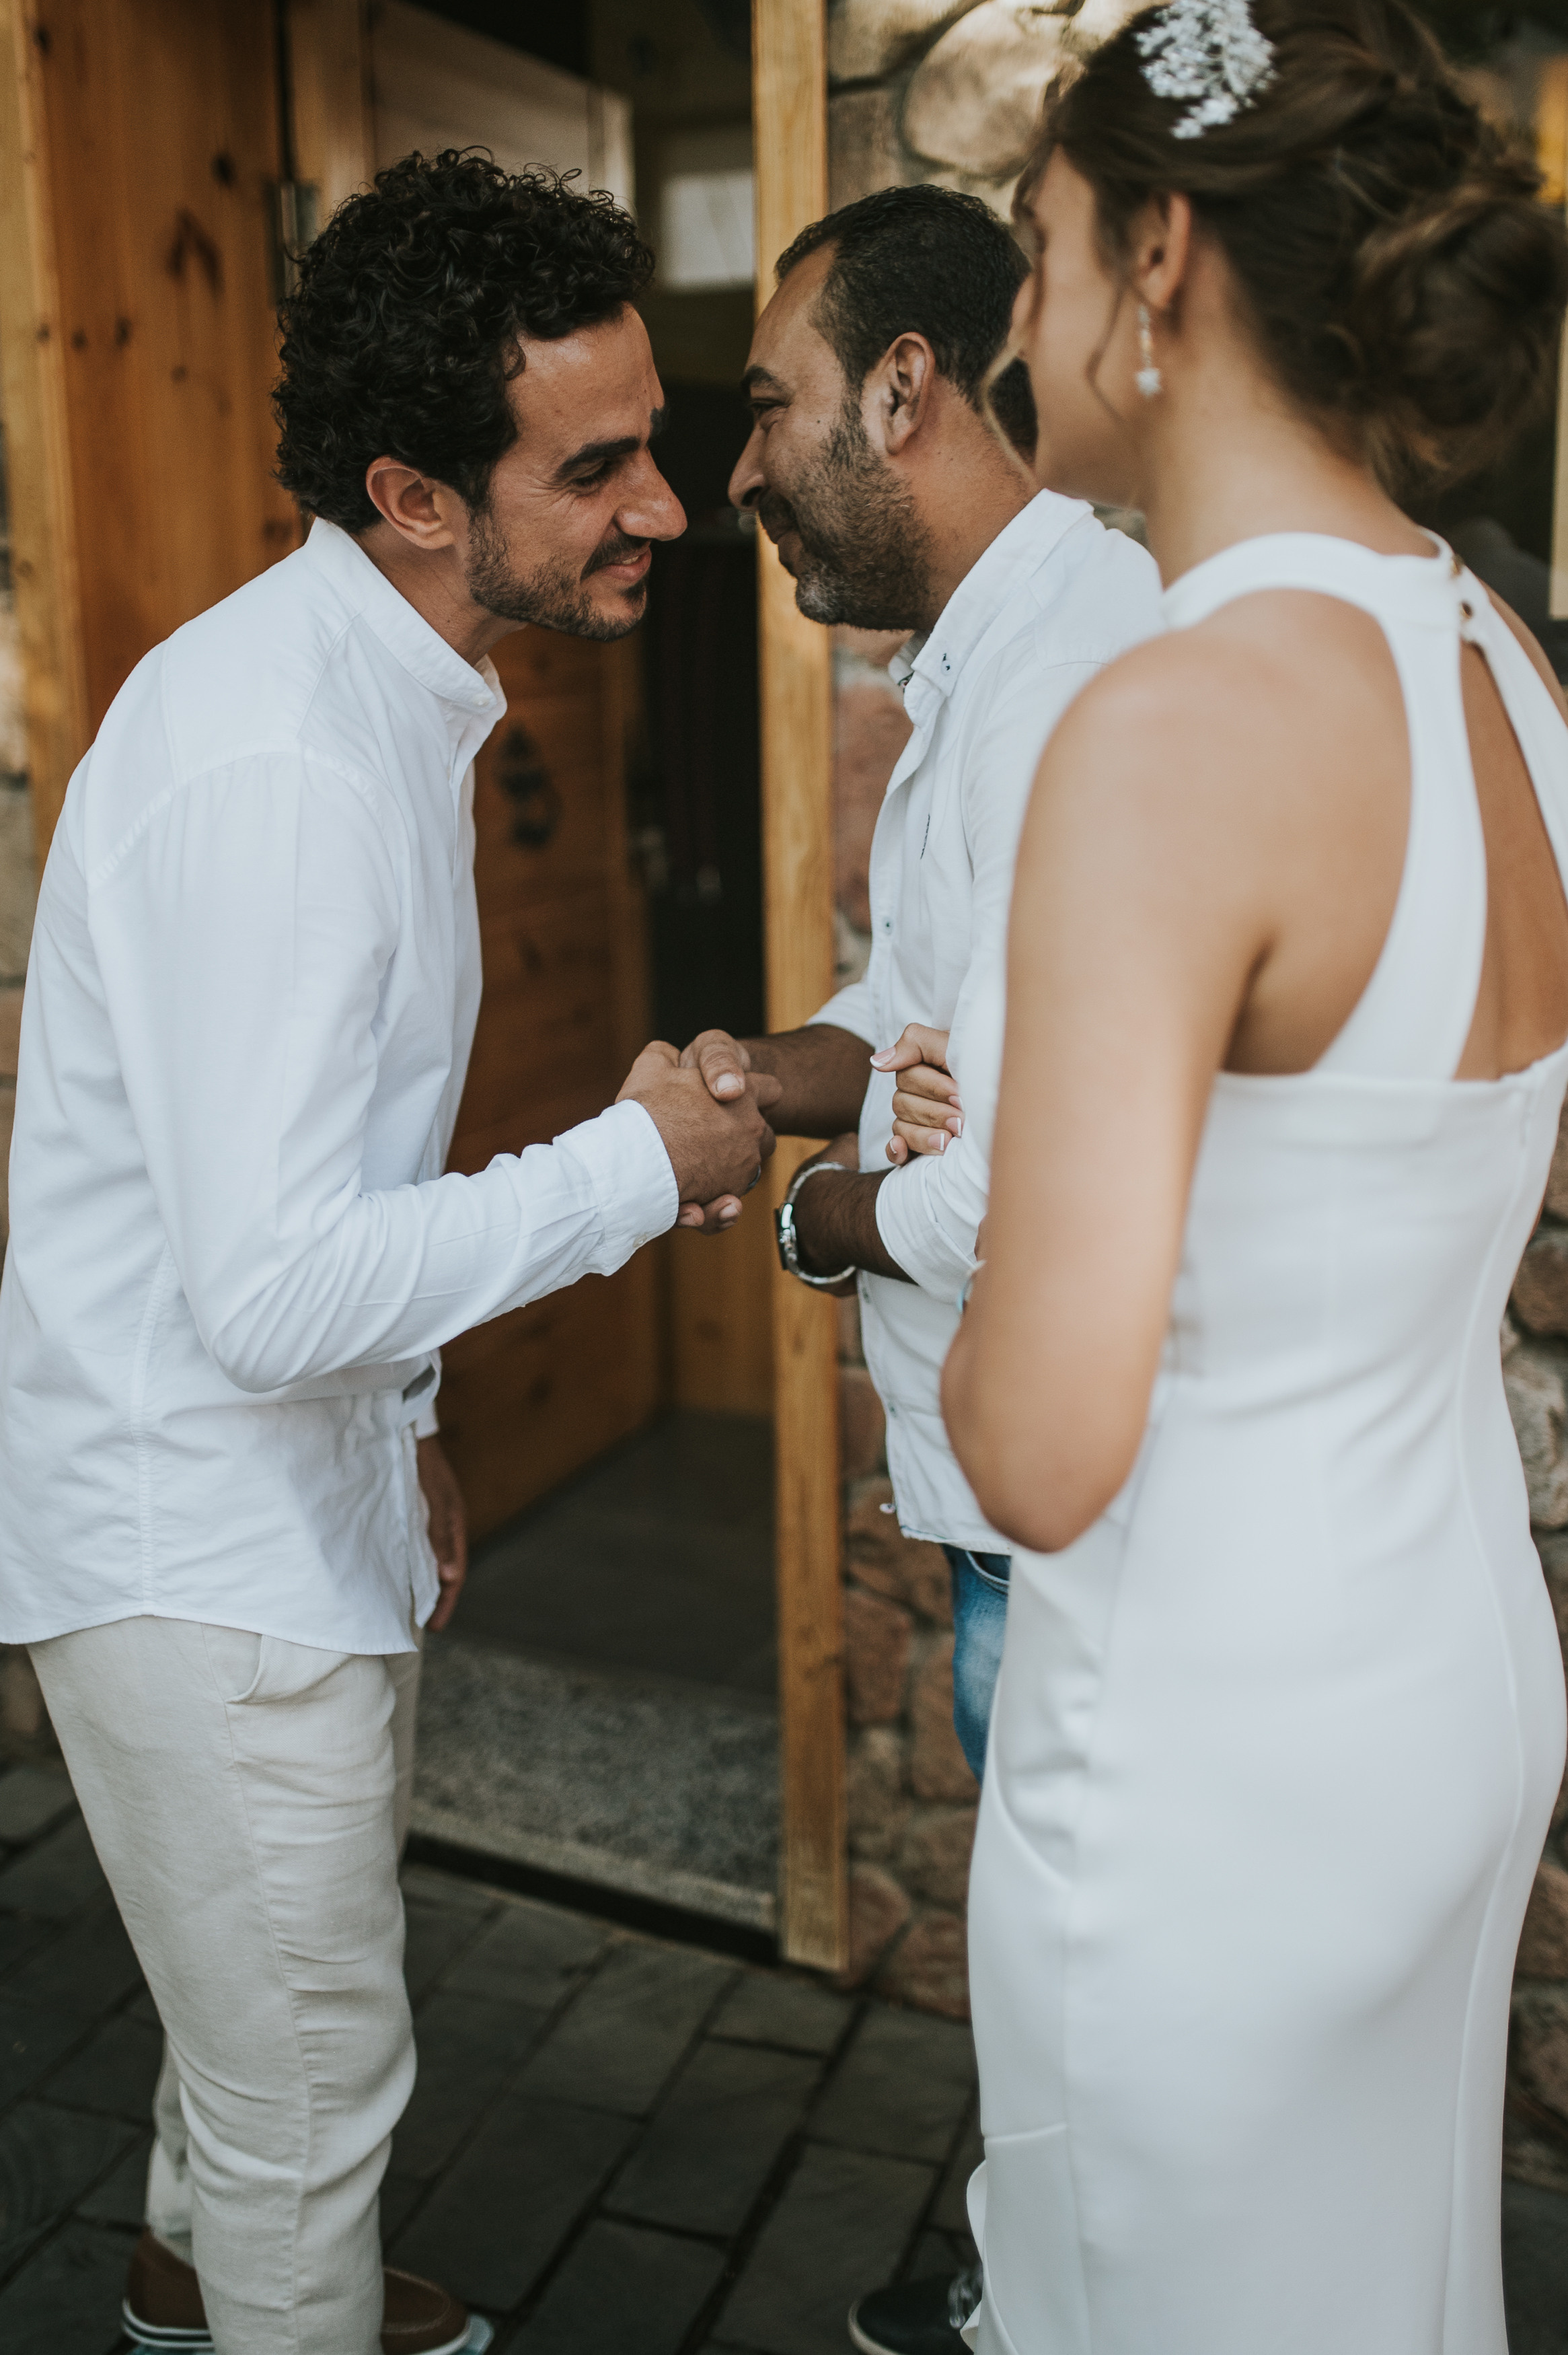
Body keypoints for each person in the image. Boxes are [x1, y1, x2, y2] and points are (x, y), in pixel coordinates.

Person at [0, 153, 775, 2355]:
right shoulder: (281, 764)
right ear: (414, 497)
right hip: (198, 1539)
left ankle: (195, 2284)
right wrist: (634, 1161)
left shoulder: (373, 689)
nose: (664, 507)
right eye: (594, 469)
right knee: (308, 2089)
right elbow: (264, 1291)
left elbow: (312, 1185)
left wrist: (404, 1418)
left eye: (651, 441)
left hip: (286, 1481)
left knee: (258, 2040)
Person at [940, 2, 1568, 2349]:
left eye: (1035, 249)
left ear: (1160, 258)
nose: (1014, 323)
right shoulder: (1504, 667)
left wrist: (970, 1196)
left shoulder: (1177, 723)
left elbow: (1039, 1443)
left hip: (1204, 1759)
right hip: (1444, 1687)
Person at [680, 182, 1161, 2355]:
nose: (738, 471)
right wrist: (749, 1077)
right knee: (1052, 1969)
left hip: (1074, 1533)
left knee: (1097, 1977)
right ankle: (1027, 2259)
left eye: (763, 404)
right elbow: (914, 1018)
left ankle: (1060, 2296)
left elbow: (1019, 1174)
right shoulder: (971, 658)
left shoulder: (1074, 682)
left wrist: (814, 1212)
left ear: (899, 387)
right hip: (998, 1521)